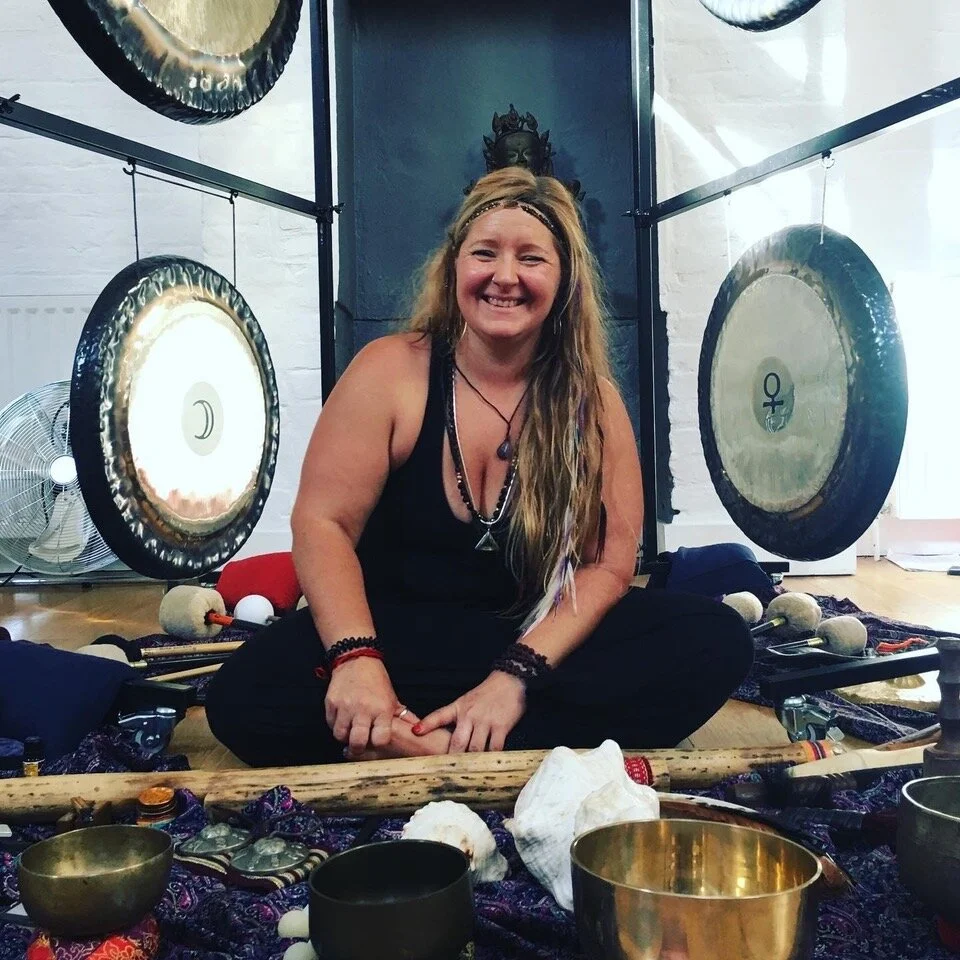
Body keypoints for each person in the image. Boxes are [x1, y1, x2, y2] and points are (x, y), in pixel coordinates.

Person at [205, 168, 753, 767]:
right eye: (485, 253)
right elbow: (322, 523)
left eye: (531, 258)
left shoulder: (592, 403)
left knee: (716, 641)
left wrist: (514, 677)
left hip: (528, 641)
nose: (505, 276)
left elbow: (608, 565)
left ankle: (409, 744)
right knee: (243, 696)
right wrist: (357, 659)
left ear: (564, 277)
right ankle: (485, 748)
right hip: (394, 636)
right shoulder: (390, 371)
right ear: (454, 266)